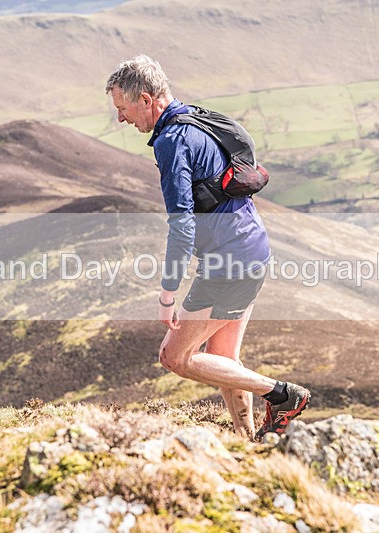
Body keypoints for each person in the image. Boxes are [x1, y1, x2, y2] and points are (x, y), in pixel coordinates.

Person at [106, 54, 310, 440]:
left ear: (146, 100)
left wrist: (168, 293)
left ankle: (283, 395)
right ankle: (246, 439)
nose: (121, 118)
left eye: (123, 108)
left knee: (174, 357)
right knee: (223, 360)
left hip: (228, 262)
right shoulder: (200, 120)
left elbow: (182, 226)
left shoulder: (170, 141)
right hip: (253, 248)